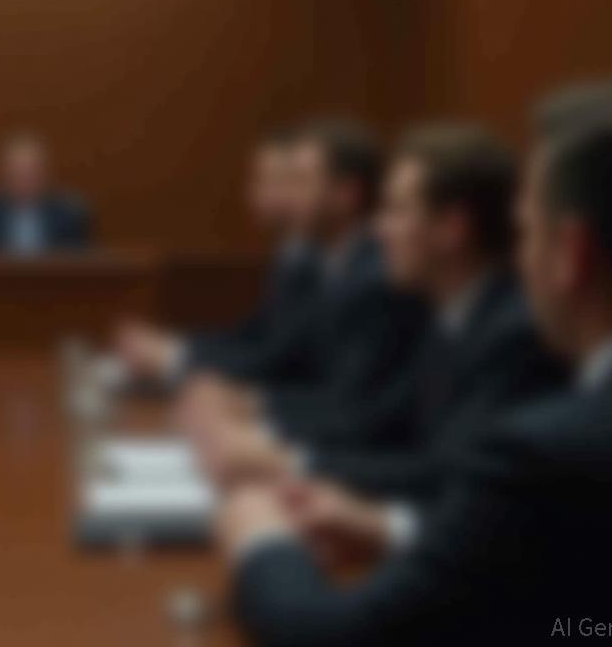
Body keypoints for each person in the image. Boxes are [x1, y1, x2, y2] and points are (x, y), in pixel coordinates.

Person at [217, 76, 612, 646]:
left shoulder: (555, 451)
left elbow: (334, 637)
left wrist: (262, 541)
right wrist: (391, 527)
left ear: (571, 255)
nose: (519, 259)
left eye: (526, 231)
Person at [177, 119, 429, 444]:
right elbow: (279, 351)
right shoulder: (325, 266)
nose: (288, 195)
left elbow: (356, 407)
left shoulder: (375, 280)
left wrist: (258, 407)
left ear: (346, 194)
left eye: (301, 181)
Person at [115, 128, 318, 382]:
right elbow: (248, 336)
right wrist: (174, 347)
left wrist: (171, 357)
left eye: (264, 180)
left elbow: (277, 362)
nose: (252, 191)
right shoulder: (291, 254)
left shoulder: (313, 264)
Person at [0, 131, 90, 253]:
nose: (24, 180)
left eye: (31, 173)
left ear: (46, 174)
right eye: (16, 173)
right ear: (1, 173)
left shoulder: (69, 216)